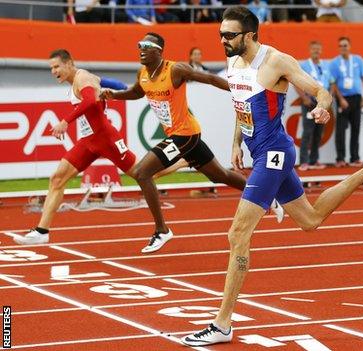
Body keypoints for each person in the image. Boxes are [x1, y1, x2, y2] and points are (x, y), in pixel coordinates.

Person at [181, 6, 363, 346]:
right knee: (311, 219)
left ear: (250, 35)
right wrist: (236, 143)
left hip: (274, 153)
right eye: (220, 35)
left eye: (229, 35)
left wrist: (321, 106)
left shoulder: (276, 61)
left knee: (238, 233)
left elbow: (321, 91)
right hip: (259, 153)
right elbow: (241, 107)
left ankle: (223, 323)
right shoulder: (232, 62)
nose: (223, 40)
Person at [101, 32, 283, 254]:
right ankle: (267, 195)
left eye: (146, 45)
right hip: (184, 135)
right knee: (219, 176)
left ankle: (162, 230)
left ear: (158, 50)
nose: (141, 48)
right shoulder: (143, 75)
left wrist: (242, 90)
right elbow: (135, 93)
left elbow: (209, 79)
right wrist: (113, 95)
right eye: (139, 44)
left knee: (141, 172)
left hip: (184, 135)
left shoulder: (175, 70)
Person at [12, 49, 138, 245]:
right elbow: (113, 83)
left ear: (69, 63)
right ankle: (42, 231)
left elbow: (89, 100)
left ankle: (184, 160)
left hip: (105, 138)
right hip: (88, 141)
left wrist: (65, 121)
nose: (53, 71)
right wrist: (114, 88)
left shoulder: (82, 77)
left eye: (56, 66)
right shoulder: (86, 78)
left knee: (144, 173)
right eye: (51, 68)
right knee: (57, 179)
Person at [329, 37, 363, 168]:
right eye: (341, 46)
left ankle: (354, 157)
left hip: (356, 98)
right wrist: (340, 99)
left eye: (345, 45)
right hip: (343, 99)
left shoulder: (358, 60)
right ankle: (340, 158)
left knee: (356, 129)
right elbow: (333, 83)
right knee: (340, 130)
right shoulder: (334, 63)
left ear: (349, 46)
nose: (343, 48)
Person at [295, 41, 333, 171]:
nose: (316, 51)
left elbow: (331, 82)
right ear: (310, 50)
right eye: (314, 49)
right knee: (307, 132)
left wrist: (329, 97)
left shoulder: (325, 66)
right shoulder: (305, 66)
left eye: (318, 49)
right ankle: (304, 161)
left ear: (321, 50)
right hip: (310, 103)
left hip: (322, 104)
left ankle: (314, 160)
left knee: (318, 133)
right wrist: (304, 98)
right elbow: (296, 83)